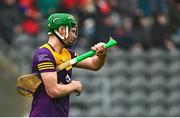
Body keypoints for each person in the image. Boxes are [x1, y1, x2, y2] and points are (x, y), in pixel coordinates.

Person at [29, 13, 107, 117]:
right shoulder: (44, 54)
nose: (74, 36)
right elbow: (53, 91)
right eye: (73, 31)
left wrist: (102, 55)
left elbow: (94, 64)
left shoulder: (68, 54)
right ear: (62, 30)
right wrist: (74, 86)